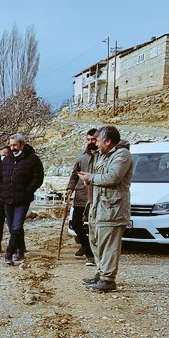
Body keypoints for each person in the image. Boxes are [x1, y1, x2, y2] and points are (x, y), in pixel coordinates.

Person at [78, 125, 133, 292]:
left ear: (108, 141)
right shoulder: (101, 155)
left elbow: (113, 177)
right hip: (98, 206)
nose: (96, 143)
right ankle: (101, 273)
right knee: (97, 241)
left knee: (109, 243)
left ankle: (108, 279)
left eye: (99, 140)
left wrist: (91, 177)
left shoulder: (122, 155)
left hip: (112, 208)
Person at [0, 133, 44, 265]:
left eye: (15, 145)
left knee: (16, 227)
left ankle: (8, 254)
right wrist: (0, 188)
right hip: (7, 199)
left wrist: (28, 190)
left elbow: (38, 178)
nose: (12, 148)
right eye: (11, 145)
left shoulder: (33, 159)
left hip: (22, 200)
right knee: (13, 228)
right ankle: (20, 249)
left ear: (22, 144)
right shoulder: (7, 159)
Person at [66, 128, 98, 266]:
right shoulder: (81, 157)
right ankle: (86, 246)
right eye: (88, 139)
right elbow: (74, 175)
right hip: (81, 195)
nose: (90, 142)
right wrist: (69, 188)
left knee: (94, 225)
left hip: (97, 197)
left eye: (93, 139)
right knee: (76, 223)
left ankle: (91, 254)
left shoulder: (103, 157)